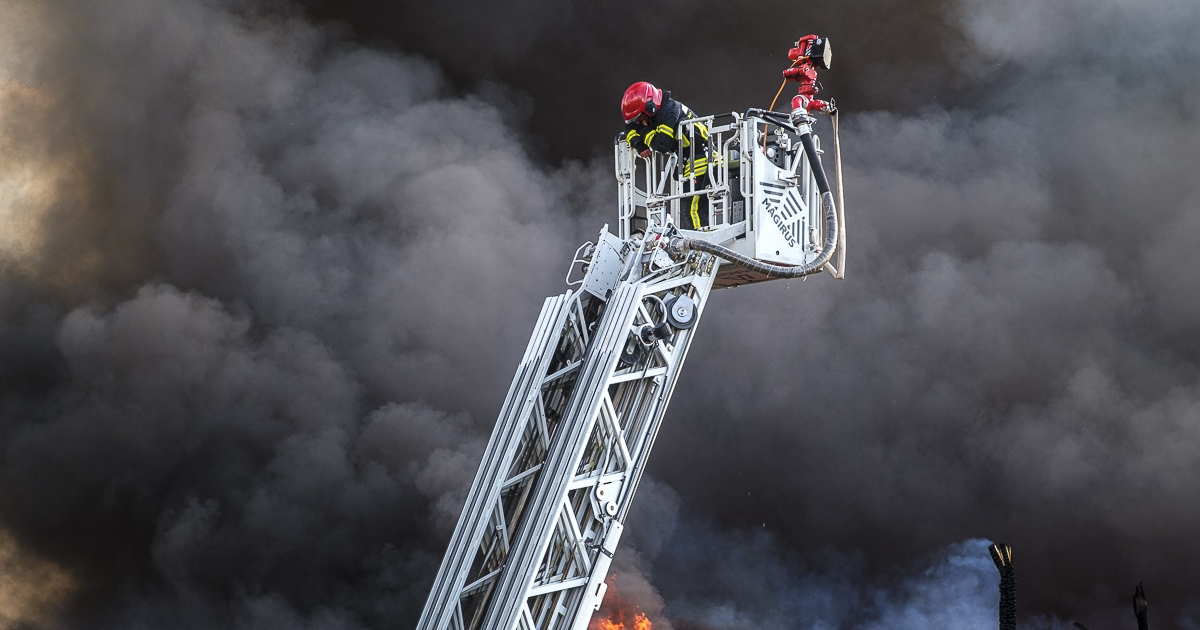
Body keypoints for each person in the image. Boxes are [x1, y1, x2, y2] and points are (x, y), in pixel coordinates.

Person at [621, 81, 712, 229]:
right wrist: (639, 144)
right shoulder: (650, 115)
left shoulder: (669, 111)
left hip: (702, 158)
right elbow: (629, 129)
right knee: (688, 209)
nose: (640, 123)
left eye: (640, 118)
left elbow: (662, 144)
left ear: (650, 106)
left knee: (692, 209)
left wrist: (644, 132)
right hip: (689, 160)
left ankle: (703, 247)